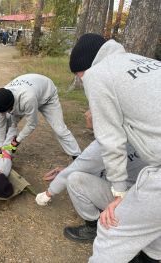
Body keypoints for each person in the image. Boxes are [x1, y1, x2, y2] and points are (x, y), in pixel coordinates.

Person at [69, 33, 161, 262]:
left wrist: (119, 193)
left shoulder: (97, 75)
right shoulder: (144, 62)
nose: (81, 82)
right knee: (153, 226)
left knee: (112, 229)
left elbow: (110, 140)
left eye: (79, 77)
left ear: (85, 69)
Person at [35, 110, 146, 244]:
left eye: (91, 110)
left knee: (74, 179)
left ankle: (92, 227)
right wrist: (67, 169)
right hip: (147, 196)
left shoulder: (107, 141)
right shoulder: (133, 129)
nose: (86, 113)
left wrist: (47, 194)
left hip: (130, 201)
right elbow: (102, 164)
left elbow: (78, 169)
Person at [0, 73, 81, 160]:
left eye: (6, 111)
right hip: (31, 88)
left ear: (11, 106)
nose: (2, 114)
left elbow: (32, 124)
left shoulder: (27, 99)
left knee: (60, 130)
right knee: (8, 123)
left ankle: (77, 157)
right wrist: (0, 145)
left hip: (47, 95)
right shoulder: (0, 100)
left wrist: (18, 140)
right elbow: (0, 124)